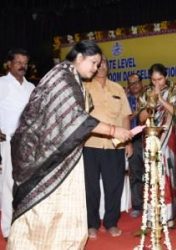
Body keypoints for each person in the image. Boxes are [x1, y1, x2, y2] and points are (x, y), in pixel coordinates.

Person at [7, 40, 133, 249]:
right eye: (93, 63)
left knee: (61, 211)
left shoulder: (71, 77)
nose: (95, 69)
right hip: (42, 157)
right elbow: (75, 118)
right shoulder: (63, 77)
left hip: (58, 154)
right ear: (80, 57)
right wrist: (113, 130)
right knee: (41, 212)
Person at [83, 55, 132, 239]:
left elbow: (126, 116)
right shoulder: (84, 87)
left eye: (104, 63)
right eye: (98, 63)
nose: (101, 66)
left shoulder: (117, 88)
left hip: (115, 146)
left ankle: (111, 223)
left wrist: (127, 142)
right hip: (90, 144)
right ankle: (92, 224)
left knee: (114, 186)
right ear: (93, 66)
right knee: (90, 187)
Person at [138, 63, 176, 228]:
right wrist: (151, 101)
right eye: (154, 79)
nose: (157, 83)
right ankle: (152, 216)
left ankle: (168, 217)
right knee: (152, 174)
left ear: (166, 76)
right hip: (151, 138)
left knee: (167, 174)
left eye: (160, 79)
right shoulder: (145, 92)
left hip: (168, 138)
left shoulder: (173, 90)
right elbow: (141, 118)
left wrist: (161, 99)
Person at [0, 48, 35, 239]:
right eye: (18, 62)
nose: (22, 66)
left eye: (25, 63)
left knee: (27, 187)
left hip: (29, 145)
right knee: (8, 186)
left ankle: (24, 225)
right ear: (9, 64)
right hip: (9, 142)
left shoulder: (31, 88)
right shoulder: (1, 84)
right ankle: (8, 229)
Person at [126, 73, 144, 218]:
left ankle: (154, 204)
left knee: (153, 173)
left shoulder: (149, 97)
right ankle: (137, 205)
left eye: (137, 82)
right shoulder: (125, 100)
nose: (135, 85)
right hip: (134, 139)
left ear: (142, 83)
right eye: (131, 83)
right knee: (136, 172)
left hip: (151, 138)